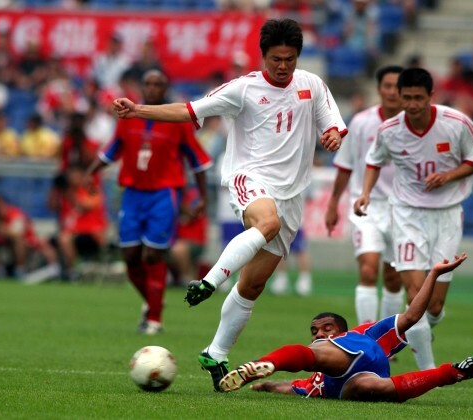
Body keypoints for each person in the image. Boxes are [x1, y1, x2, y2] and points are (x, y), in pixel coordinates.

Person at [112, 18, 347, 391]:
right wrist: (139, 110)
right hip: (249, 179)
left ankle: (216, 352)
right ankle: (209, 281)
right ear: (263, 56)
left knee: (253, 285)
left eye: (289, 58)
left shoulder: (312, 86)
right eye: (275, 59)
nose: (283, 66)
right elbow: (189, 110)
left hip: (292, 194)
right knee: (265, 223)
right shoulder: (244, 89)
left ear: (298, 56)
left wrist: (332, 134)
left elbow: (331, 124)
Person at [353, 68, 473, 370]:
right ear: (399, 97)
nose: (412, 104)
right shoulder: (390, 130)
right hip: (406, 214)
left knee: (434, 307)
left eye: (418, 98)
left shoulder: (456, 124)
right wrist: (364, 193)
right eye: (407, 98)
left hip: (447, 215)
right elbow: (373, 161)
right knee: (415, 297)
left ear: (431, 96)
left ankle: (421, 331)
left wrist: (448, 176)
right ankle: (429, 374)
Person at [218, 254, 473, 401]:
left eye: (326, 327)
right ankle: (453, 372)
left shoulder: (366, 332)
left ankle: (266, 361)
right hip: (356, 382)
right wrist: (265, 386)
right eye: (314, 331)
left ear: (342, 330)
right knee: (374, 389)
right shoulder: (315, 383)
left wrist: (433, 274)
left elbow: (412, 315)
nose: (319, 333)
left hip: (356, 352)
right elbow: (291, 386)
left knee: (313, 354)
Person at [87, 69, 212, 335]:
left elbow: (198, 162)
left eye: (158, 84)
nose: (152, 88)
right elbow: (112, 150)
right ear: (142, 87)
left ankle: (154, 319)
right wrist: (91, 171)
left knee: (153, 254)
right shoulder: (127, 119)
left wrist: (202, 197)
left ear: (165, 89)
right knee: (130, 256)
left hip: (164, 194)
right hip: (132, 193)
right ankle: (152, 301)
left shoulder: (178, 121)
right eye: (148, 83)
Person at [326, 65, 404, 325]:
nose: (392, 92)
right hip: (365, 205)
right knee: (369, 270)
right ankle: (367, 338)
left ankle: (387, 340)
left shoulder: (412, 125)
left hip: (403, 209)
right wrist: (333, 204)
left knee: (394, 277)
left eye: (397, 87)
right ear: (379, 89)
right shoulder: (361, 122)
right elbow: (345, 165)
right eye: (387, 86)